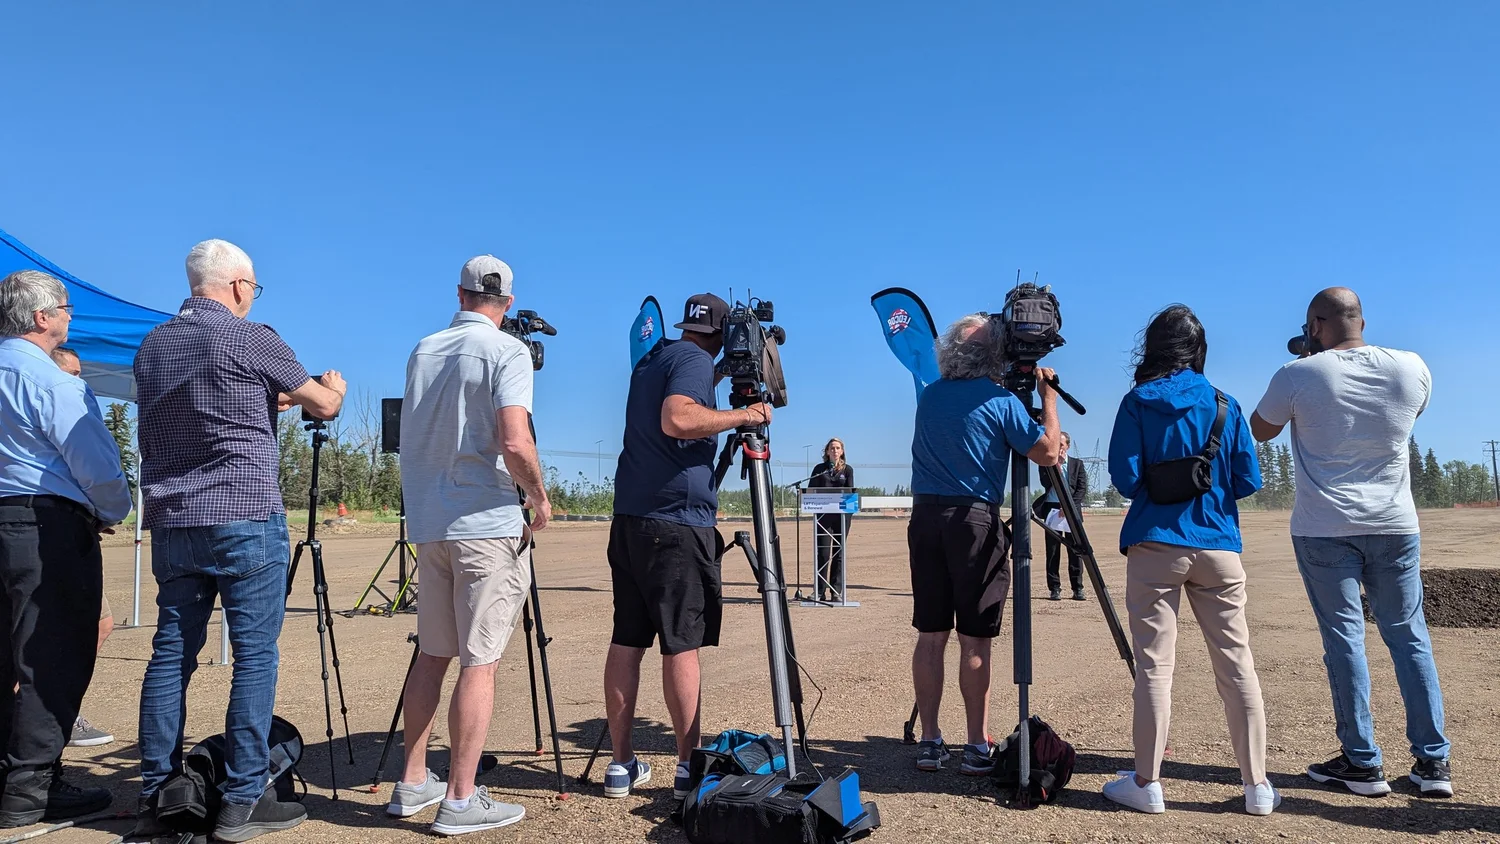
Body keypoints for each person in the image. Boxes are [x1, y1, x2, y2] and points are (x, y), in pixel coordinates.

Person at [133, 240, 345, 842]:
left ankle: (157, 795)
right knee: (254, 657)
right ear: (236, 285)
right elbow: (324, 405)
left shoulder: (154, 345)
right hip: (244, 514)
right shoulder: (251, 337)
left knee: (170, 653)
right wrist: (335, 386)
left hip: (175, 519)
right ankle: (243, 796)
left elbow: (210, 398)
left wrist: (269, 398)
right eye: (252, 287)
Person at [1250, 287, 1452, 798]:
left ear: (1315, 325)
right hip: (1395, 522)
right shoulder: (1411, 367)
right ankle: (1433, 765)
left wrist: (1310, 372)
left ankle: (1362, 762)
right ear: (1360, 319)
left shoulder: (1297, 374)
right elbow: (1406, 418)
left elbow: (1261, 429)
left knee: (1344, 640)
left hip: (1325, 527)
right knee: (1409, 638)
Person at [389, 255, 550, 835]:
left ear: (459, 294)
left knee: (432, 653)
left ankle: (412, 782)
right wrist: (537, 495)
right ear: (506, 305)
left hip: (430, 523)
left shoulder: (422, 349)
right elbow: (514, 438)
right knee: (480, 661)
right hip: (484, 522)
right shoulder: (508, 351)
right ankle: (460, 798)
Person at [1102, 305, 1279, 816]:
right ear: (1199, 349)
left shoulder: (1136, 402)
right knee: (1237, 664)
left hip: (1156, 542)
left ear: (1152, 348)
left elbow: (1126, 478)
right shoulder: (1225, 403)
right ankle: (1257, 787)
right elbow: (1247, 480)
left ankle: (1146, 783)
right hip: (1219, 545)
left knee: (1155, 667)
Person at [605, 293, 772, 802]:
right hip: (676, 524)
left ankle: (620, 766)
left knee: (628, 641)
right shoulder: (695, 361)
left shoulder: (659, 358)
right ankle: (686, 766)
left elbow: (675, 399)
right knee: (681, 644)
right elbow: (678, 417)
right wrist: (743, 416)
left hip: (631, 518)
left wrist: (717, 377)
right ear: (723, 332)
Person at [0, 271, 132, 827]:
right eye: (66, 308)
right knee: (49, 652)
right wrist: (108, 510)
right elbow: (96, 464)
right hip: (42, 524)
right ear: (40, 317)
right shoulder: (49, 380)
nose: (70, 316)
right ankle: (29, 786)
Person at [908, 314, 1060, 775]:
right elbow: (1049, 452)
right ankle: (976, 743)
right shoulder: (1001, 401)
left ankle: (931, 739)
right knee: (975, 639)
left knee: (931, 635)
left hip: (926, 517)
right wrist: (1047, 398)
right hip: (974, 519)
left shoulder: (930, 397)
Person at [46, 347, 117, 749]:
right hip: (54, 532)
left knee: (99, 623)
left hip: (74, 524)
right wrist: (107, 507)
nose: (80, 381)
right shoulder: (56, 403)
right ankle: (52, 714)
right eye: (73, 373)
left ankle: (56, 710)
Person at [1036, 431, 1088, 602]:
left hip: (1072, 511)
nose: (1058, 448)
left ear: (1067, 446)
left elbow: (1082, 488)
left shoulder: (1077, 464)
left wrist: (1069, 507)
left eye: (1061, 445)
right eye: (1056, 444)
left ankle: (1077, 588)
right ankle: (1054, 588)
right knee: (1052, 552)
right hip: (1052, 510)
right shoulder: (1046, 464)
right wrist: (1055, 465)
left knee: (1075, 550)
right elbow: (1045, 484)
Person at [810, 437, 854, 602]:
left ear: (842, 451)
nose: (835, 451)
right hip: (823, 516)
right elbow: (811, 490)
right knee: (823, 552)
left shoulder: (848, 470)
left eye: (837, 448)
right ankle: (819, 591)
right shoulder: (819, 469)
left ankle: (836, 591)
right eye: (832, 448)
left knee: (839, 552)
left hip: (842, 517)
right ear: (827, 452)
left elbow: (850, 492)